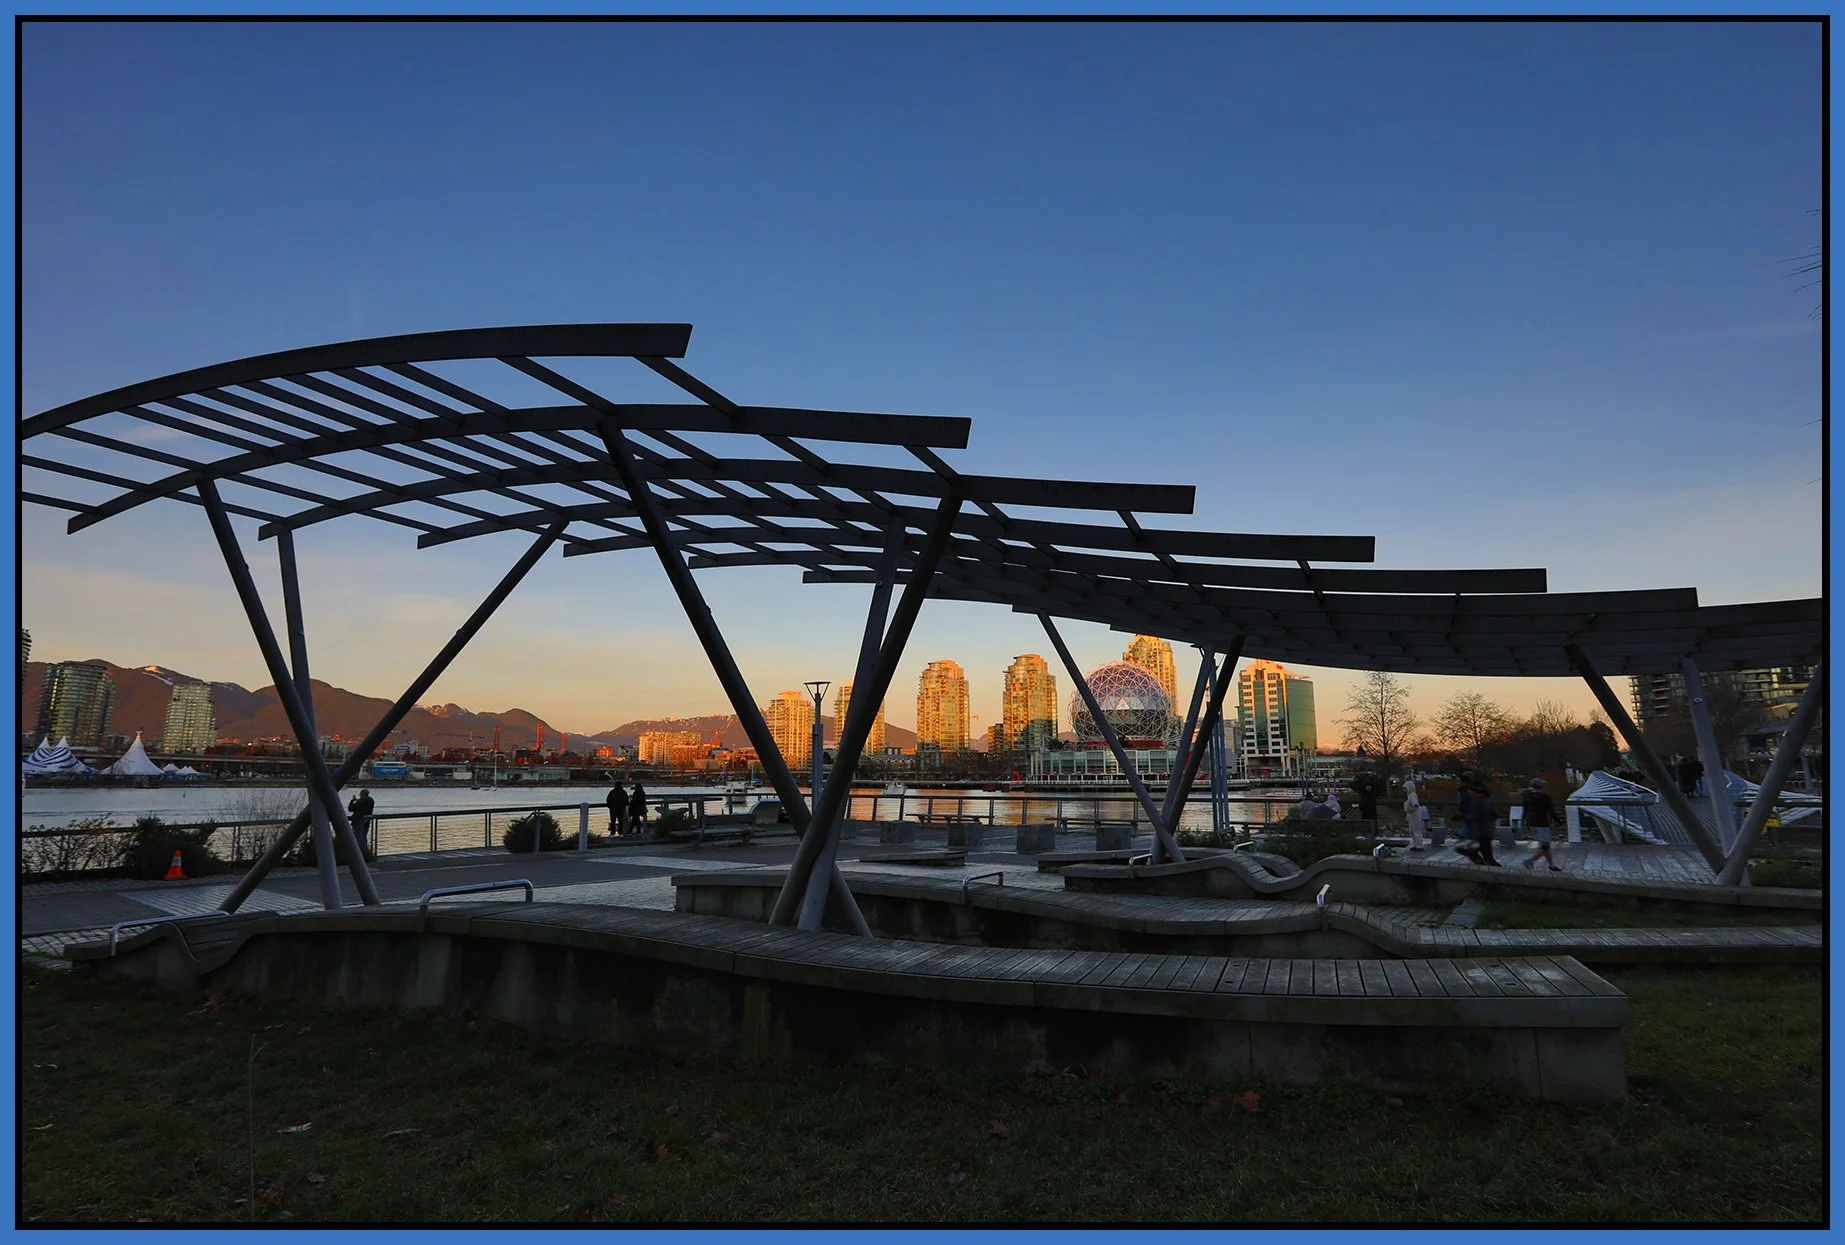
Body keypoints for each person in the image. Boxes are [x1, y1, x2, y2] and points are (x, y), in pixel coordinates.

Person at [1456, 777, 1500, 866]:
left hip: (1478, 833)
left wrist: (1461, 817)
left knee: (1462, 848)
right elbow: (1495, 815)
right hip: (1487, 832)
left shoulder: (1476, 801)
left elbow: (1473, 817)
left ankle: (1484, 867)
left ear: (1474, 791)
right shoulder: (1488, 799)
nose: (1469, 792)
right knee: (1488, 857)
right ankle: (1487, 869)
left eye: (1470, 790)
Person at [1521, 777, 1560, 871]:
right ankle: (1530, 861)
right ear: (1541, 786)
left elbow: (1525, 811)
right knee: (1545, 846)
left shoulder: (1527, 797)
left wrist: (1524, 823)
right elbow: (1551, 811)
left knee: (1544, 846)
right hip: (1542, 824)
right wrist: (1559, 821)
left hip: (1532, 824)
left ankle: (1552, 866)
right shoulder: (1545, 798)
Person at [346, 788, 376, 856]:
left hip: (358, 821)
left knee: (357, 836)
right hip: (366, 821)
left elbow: (350, 809)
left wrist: (352, 800)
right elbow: (362, 804)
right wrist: (358, 800)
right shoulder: (371, 800)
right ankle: (365, 852)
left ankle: (357, 853)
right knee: (363, 836)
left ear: (362, 793)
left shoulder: (360, 801)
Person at [1403, 775, 1425, 851]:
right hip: (1410, 814)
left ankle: (1419, 844)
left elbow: (1415, 804)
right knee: (1412, 830)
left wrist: (1413, 806)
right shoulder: (1409, 795)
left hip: (1414, 814)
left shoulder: (1412, 795)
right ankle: (1415, 843)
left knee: (1416, 829)